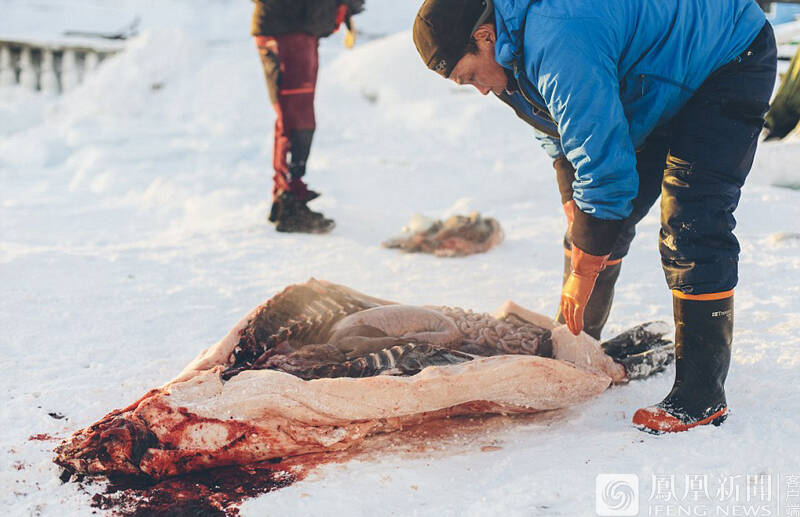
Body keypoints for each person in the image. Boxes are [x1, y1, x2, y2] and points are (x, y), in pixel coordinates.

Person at [413, 0, 777, 433]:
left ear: (485, 36)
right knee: (595, 221)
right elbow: (556, 127)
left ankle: (701, 395)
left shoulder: (558, 37)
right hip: (658, 75)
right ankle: (582, 345)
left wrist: (582, 271)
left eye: (469, 75)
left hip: (727, 55)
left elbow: (606, 174)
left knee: (692, 220)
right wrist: (573, 204)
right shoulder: (513, 52)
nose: (479, 89)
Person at [251, 0, 364, 233]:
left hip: (297, 24)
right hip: (288, 25)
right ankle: (289, 201)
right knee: (296, 116)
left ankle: (285, 195)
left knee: (294, 114)